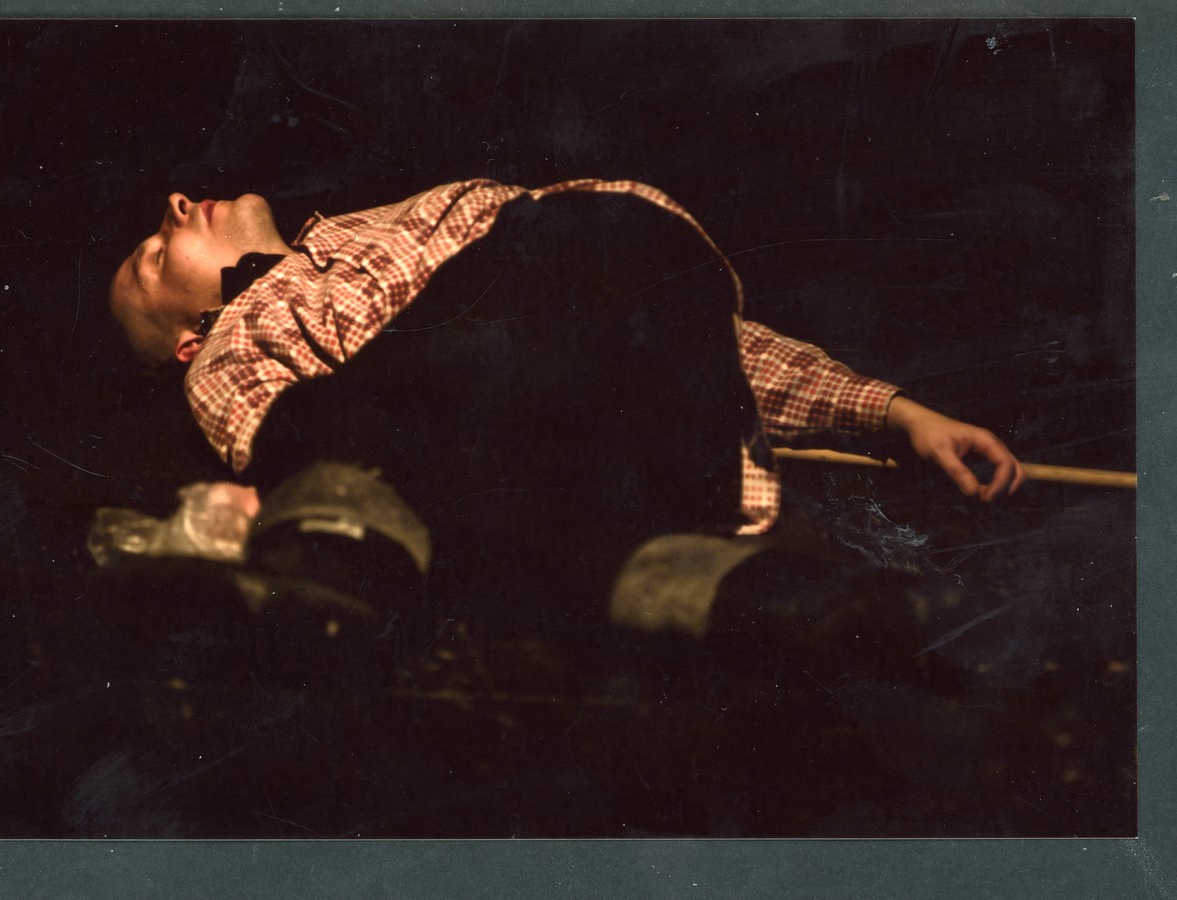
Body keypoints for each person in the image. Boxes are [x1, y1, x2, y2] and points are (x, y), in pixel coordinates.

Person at [109, 178, 1025, 637]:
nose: (175, 203)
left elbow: (703, 341)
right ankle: (665, 573)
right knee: (591, 231)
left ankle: (653, 564)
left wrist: (891, 413)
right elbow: (292, 459)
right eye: (154, 255)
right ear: (186, 338)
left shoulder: (409, 220)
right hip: (499, 479)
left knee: (609, 229)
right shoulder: (227, 351)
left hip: (649, 421)